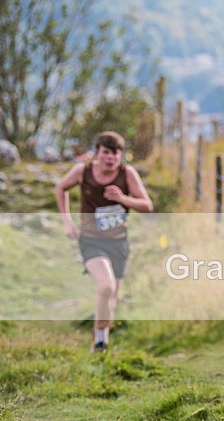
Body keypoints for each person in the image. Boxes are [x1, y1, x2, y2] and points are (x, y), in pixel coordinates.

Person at [55, 131, 153, 352]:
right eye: (107, 152)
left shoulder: (127, 174)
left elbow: (147, 206)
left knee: (112, 295)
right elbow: (61, 188)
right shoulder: (83, 171)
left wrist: (122, 198)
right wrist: (67, 222)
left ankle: (102, 339)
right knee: (106, 286)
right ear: (97, 153)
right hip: (91, 240)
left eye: (116, 153)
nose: (111, 158)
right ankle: (99, 341)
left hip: (118, 242)